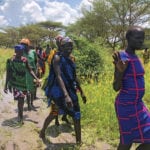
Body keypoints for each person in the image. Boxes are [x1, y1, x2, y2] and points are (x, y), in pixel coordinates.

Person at [40, 37, 86, 144]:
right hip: (58, 92)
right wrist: (66, 96)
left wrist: (82, 92)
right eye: (67, 45)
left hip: (71, 90)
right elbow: (59, 76)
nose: (70, 47)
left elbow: (75, 77)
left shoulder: (71, 59)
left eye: (71, 45)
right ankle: (42, 131)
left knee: (77, 115)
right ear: (61, 46)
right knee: (54, 113)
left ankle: (79, 142)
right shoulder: (57, 58)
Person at [112, 26, 150, 150]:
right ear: (128, 38)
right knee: (126, 141)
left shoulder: (137, 57)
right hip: (125, 106)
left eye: (142, 39)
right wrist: (119, 73)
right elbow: (116, 87)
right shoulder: (122, 56)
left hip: (138, 105)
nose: (141, 41)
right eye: (138, 38)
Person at [4, 44, 40, 124]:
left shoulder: (24, 60)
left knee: (22, 100)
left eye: (21, 52)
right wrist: (6, 85)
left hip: (24, 83)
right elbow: (8, 73)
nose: (20, 53)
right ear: (15, 51)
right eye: (18, 52)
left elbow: (30, 70)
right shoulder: (11, 60)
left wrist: (36, 78)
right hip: (15, 83)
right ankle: (20, 117)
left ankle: (20, 116)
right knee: (20, 100)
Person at [20, 38, 38, 110]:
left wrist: (36, 71)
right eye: (21, 45)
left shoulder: (33, 52)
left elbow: (36, 61)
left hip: (32, 72)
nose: (23, 46)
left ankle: (31, 103)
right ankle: (28, 105)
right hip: (24, 73)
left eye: (24, 45)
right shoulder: (20, 52)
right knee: (26, 89)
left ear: (28, 45)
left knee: (32, 89)